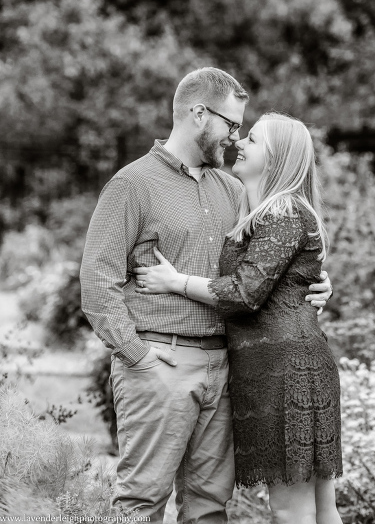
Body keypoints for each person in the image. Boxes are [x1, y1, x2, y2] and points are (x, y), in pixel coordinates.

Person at [80, 68, 332, 524]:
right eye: (231, 125)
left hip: (227, 367)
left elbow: (273, 262)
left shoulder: (234, 190)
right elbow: (97, 284)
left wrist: (315, 283)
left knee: (210, 508)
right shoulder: (132, 184)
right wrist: (140, 359)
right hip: (161, 362)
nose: (236, 138)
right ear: (199, 114)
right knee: (141, 502)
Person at [134, 112, 343, 524]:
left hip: (286, 374)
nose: (240, 142)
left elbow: (247, 291)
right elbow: (284, 277)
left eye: (253, 139)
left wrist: (176, 281)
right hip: (287, 367)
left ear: (277, 158)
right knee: (320, 507)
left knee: (289, 509)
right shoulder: (260, 211)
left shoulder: (281, 212)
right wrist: (315, 282)